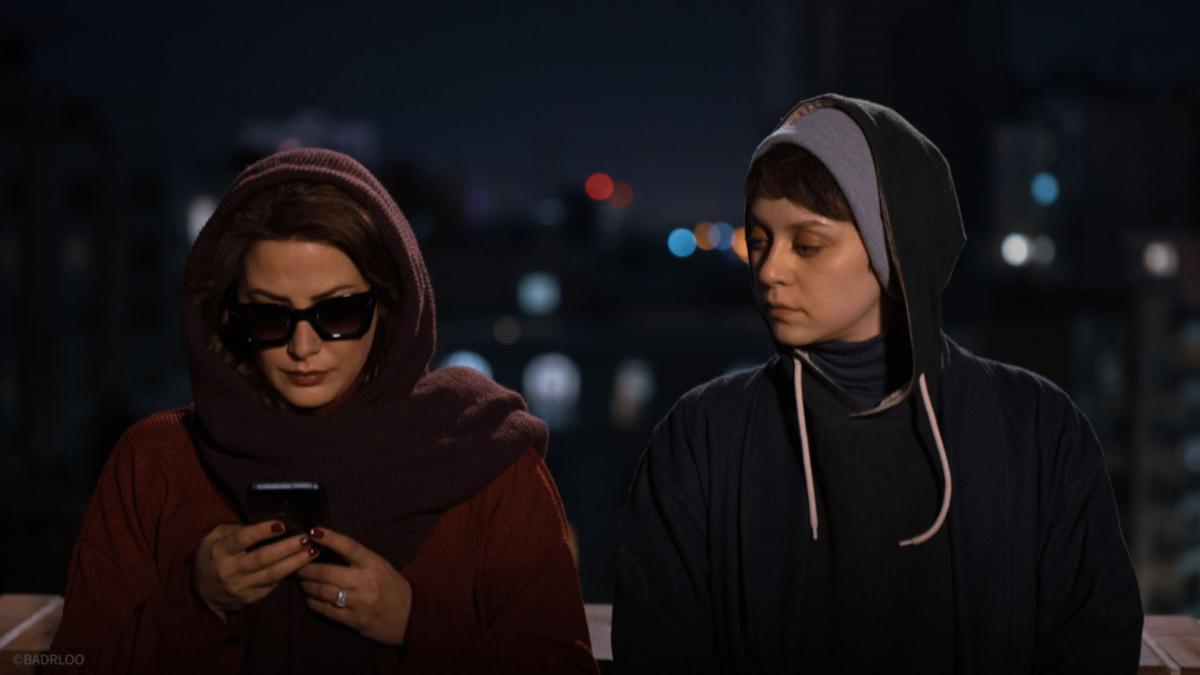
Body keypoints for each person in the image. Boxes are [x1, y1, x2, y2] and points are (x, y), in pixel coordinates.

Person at [612, 94, 1143, 674]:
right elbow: (658, 645)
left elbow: (1096, 636)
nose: (769, 270)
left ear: (894, 244)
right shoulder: (702, 437)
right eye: (759, 239)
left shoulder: (1036, 427)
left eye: (807, 245)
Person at [49, 148, 599, 674]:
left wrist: (413, 622)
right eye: (269, 316)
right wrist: (196, 600)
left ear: (390, 306)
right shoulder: (157, 463)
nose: (303, 347)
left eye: (338, 312)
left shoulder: (483, 455)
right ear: (227, 318)